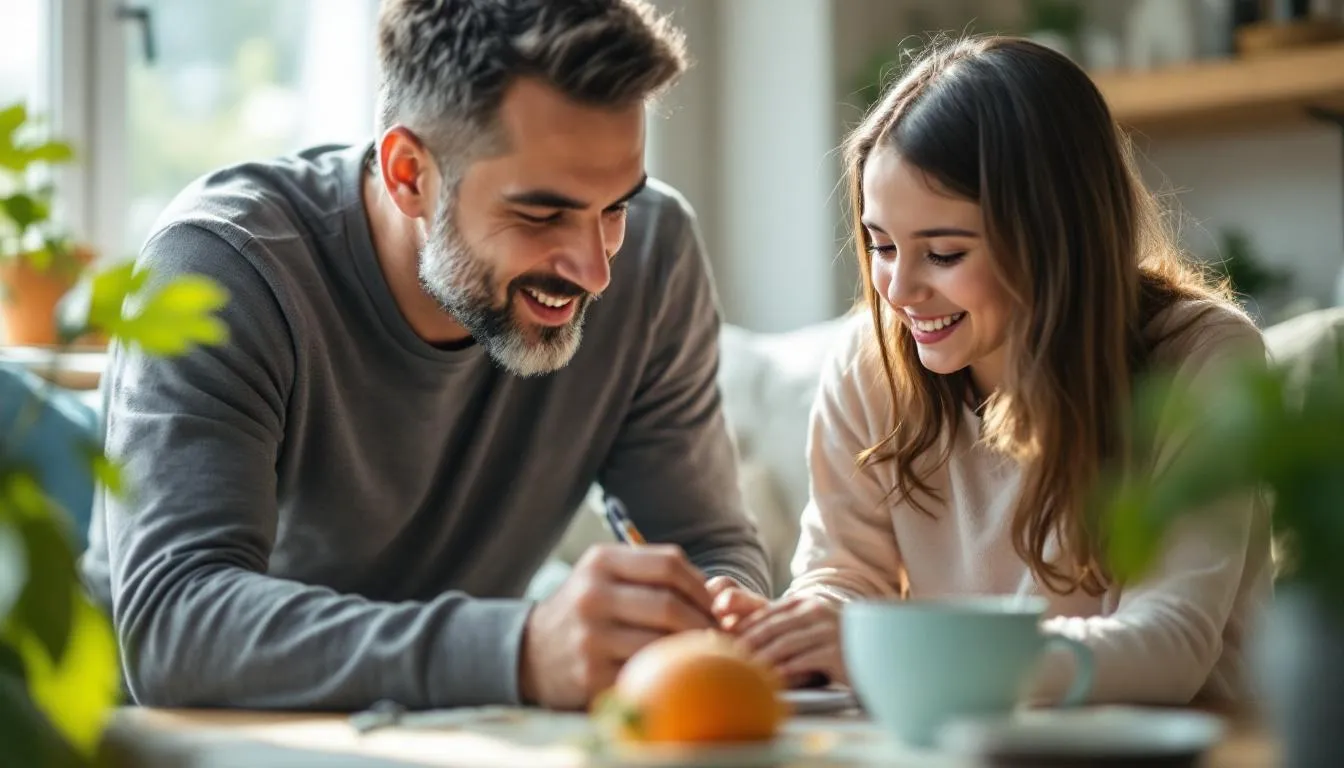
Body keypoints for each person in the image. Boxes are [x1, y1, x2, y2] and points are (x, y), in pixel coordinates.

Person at [79, 0, 769, 712]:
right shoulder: (222, 267)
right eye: (541, 215)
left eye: (617, 206)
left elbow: (705, 543)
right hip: (195, 736)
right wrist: (520, 651)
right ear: (409, 174)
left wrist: (724, 618)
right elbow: (172, 630)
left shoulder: (655, 254)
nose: (596, 270)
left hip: (456, 726)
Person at [712, 35, 1273, 705]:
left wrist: (903, 654)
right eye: (880, 244)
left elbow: (1171, 645)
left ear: (1055, 240)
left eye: (943, 253)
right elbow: (844, 577)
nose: (897, 289)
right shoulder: (871, 363)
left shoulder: (1203, 362)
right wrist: (795, 632)